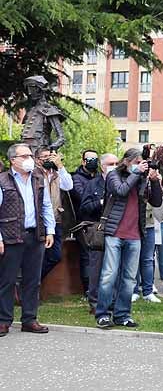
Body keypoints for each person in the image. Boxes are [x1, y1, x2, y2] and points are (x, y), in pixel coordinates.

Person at [94, 148, 162, 329]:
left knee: (129, 278)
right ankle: (102, 314)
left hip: (135, 235)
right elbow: (120, 191)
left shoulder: (142, 178)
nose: (141, 165)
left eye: (142, 162)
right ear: (127, 161)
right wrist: (137, 173)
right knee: (109, 275)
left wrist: (154, 181)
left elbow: (156, 202)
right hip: (114, 232)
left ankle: (123, 314)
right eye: (137, 162)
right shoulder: (113, 175)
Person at [0, 143, 55, 336]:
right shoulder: (2, 180)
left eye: (30, 155)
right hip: (11, 236)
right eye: (24, 156)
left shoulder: (38, 178)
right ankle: (4, 320)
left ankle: (29, 319)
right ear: (13, 160)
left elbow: (46, 206)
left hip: (35, 235)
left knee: (33, 281)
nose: (29, 159)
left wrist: (50, 231)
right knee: (7, 280)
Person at [79, 153, 118, 311]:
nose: (114, 167)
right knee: (97, 267)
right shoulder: (93, 184)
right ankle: (95, 302)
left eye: (116, 163)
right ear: (102, 166)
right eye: (111, 164)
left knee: (114, 267)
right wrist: (100, 202)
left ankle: (112, 301)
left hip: (117, 229)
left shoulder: (120, 183)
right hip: (99, 230)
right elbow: (84, 208)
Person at [36, 148, 74, 280]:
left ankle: (31, 283)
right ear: (37, 160)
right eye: (45, 157)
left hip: (55, 220)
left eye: (51, 156)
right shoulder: (34, 174)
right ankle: (30, 287)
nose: (48, 159)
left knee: (55, 256)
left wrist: (60, 166)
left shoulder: (57, 174)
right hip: (39, 221)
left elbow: (68, 186)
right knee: (37, 256)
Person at [71, 149, 100, 296]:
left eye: (95, 159)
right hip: (84, 223)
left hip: (99, 222)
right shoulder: (76, 178)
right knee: (87, 257)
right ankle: (88, 289)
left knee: (98, 257)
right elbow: (82, 197)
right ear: (83, 162)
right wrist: (99, 200)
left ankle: (97, 288)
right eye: (89, 159)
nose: (92, 162)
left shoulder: (100, 177)